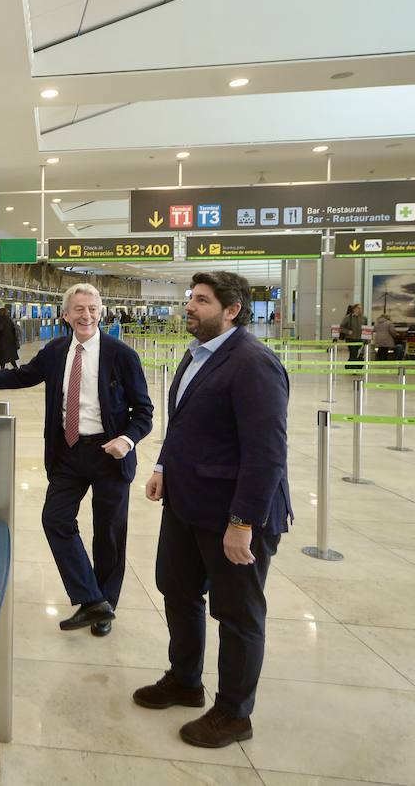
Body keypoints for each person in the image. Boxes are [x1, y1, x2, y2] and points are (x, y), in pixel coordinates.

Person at [134, 271, 292, 749]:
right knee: (177, 589)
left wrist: (242, 522)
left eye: (201, 301)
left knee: (238, 613)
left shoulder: (253, 364)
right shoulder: (196, 354)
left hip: (234, 516)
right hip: (187, 504)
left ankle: (233, 714)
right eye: (190, 299)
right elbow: (182, 423)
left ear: (232, 310)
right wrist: (162, 464)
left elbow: (266, 454)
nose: (190, 307)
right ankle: (185, 680)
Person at [0, 283, 153, 636]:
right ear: (66, 315)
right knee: (55, 519)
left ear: (101, 311)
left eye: (93, 308)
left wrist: (126, 439)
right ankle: (91, 599)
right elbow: (23, 375)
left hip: (110, 453)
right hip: (68, 451)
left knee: (109, 533)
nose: (86, 315)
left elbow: (144, 411)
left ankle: (105, 605)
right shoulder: (56, 350)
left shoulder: (121, 355)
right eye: (79, 309)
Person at [339, 303, 365, 369]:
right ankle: (354, 368)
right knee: (353, 353)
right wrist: (348, 331)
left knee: (355, 354)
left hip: (359, 339)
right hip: (350, 339)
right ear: (354, 309)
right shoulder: (348, 318)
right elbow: (341, 328)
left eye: (361, 308)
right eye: (358, 308)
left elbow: (365, 328)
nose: (360, 310)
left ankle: (349, 365)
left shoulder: (363, 318)